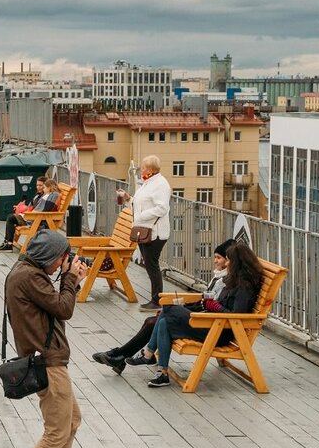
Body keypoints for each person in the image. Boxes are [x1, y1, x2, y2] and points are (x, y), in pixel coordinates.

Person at [6, 229, 92, 448]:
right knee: (57, 429)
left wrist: (70, 279)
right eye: (61, 259)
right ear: (51, 256)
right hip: (48, 361)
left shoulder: (24, 271)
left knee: (72, 420)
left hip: (47, 358)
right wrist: (70, 279)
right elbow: (63, 308)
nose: (61, 264)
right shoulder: (30, 277)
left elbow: (54, 306)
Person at [92, 239, 235, 375]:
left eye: (220, 258)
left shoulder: (226, 281)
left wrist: (181, 309)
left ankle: (121, 355)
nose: (216, 261)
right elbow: (205, 302)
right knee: (152, 320)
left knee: (157, 320)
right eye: (215, 257)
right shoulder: (219, 277)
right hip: (204, 320)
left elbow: (211, 306)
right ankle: (120, 356)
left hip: (207, 325)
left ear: (230, 261)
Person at [143, 243, 263, 388]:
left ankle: (148, 352)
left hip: (219, 331)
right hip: (211, 324)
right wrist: (210, 305)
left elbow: (236, 316)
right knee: (164, 322)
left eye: (230, 260)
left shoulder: (244, 288)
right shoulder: (234, 280)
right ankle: (162, 372)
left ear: (237, 262)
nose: (228, 263)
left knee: (169, 308)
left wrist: (215, 306)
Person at [116, 155, 172, 312]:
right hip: (144, 231)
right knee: (149, 265)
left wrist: (142, 216)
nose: (141, 170)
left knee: (151, 264)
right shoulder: (147, 183)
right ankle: (156, 299)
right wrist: (128, 199)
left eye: (144, 168)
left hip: (156, 232)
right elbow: (139, 203)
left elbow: (162, 208)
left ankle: (157, 300)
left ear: (152, 169)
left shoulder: (160, 184)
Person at [0, 176, 55, 252]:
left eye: (41, 185)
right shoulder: (38, 195)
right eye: (37, 185)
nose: (38, 187)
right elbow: (31, 206)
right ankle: (7, 242)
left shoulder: (46, 197)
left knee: (11, 218)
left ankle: (9, 244)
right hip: (31, 216)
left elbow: (42, 209)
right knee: (11, 217)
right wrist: (20, 208)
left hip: (35, 220)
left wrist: (27, 213)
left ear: (47, 186)